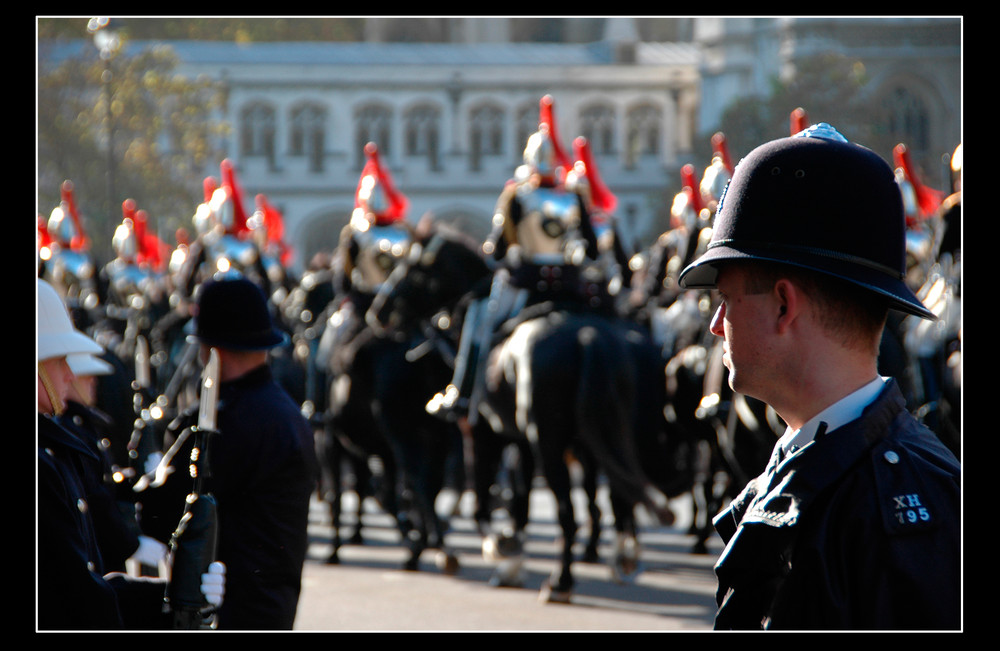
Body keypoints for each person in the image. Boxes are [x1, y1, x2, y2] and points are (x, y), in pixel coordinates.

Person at [677, 124, 961, 630]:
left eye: (726, 299)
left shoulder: (908, 511)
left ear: (785, 305)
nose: (717, 324)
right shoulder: (828, 465)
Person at [38, 278, 224, 630]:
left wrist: (172, 594)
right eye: (57, 360)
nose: (69, 373)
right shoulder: (42, 463)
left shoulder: (52, 450)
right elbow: (72, 599)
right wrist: (167, 603)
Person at [137, 272, 319, 630]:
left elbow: (160, 511)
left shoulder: (229, 420)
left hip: (230, 609)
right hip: (272, 603)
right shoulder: (285, 411)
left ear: (210, 348)